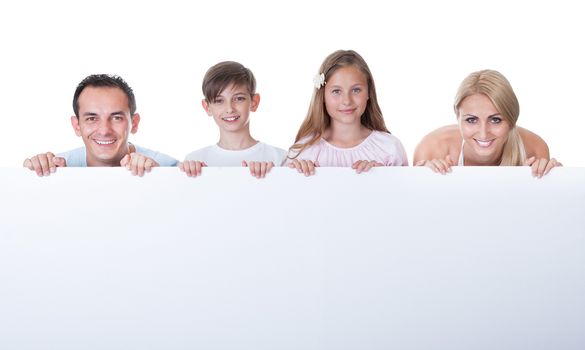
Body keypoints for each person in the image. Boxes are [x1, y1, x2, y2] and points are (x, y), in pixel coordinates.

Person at [413, 69, 561, 177]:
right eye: (471, 120)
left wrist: (555, 179)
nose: (483, 133)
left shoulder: (533, 148)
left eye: (496, 120)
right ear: (457, 116)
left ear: (512, 119)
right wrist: (422, 181)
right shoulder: (433, 148)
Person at [23, 74, 177, 177]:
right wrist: (32, 176)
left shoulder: (167, 168)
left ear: (134, 123)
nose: (104, 130)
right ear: (77, 126)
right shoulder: (55, 168)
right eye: (91, 118)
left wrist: (161, 181)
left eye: (116, 118)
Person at [286, 49, 408, 176]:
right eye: (336, 91)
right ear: (322, 96)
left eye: (356, 90)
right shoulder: (304, 151)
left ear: (368, 92)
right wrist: (301, 175)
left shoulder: (389, 148)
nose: (347, 101)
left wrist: (381, 175)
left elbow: (404, 192)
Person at [180, 61, 286, 179]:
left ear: (254, 102)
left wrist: (269, 176)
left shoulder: (279, 159)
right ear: (207, 107)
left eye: (239, 99)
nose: (229, 109)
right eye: (219, 101)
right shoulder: (193, 161)